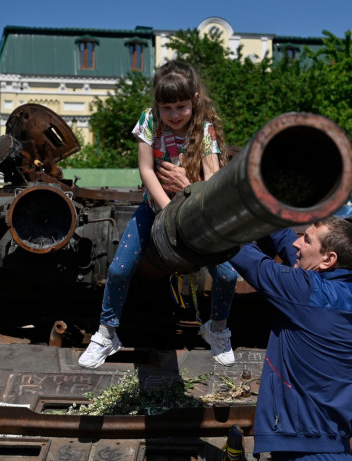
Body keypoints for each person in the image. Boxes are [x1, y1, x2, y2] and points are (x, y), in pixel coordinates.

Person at [78, 60, 237, 369]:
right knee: (120, 270)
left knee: (228, 274)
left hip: (197, 212)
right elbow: (146, 170)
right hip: (155, 207)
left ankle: (217, 328)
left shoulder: (204, 130)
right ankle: (107, 332)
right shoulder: (150, 121)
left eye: (181, 106)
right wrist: (168, 210)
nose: (174, 115)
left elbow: (212, 182)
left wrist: (186, 209)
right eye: (167, 107)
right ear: (157, 105)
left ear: (194, 98)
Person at [228, 217, 352, 460]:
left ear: (328, 259)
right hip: (329, 444)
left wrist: (205, 203)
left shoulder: (307, 292)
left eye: (306, 240)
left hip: (306, 450)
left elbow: (249, 260)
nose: (296, 245)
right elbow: (284, 239)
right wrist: (255, 209)